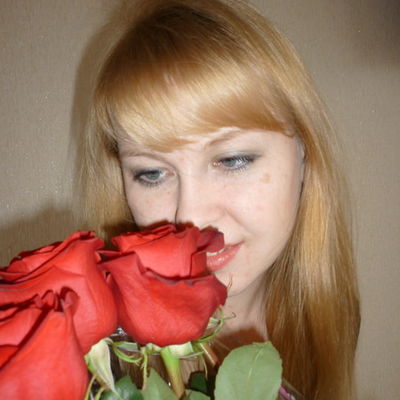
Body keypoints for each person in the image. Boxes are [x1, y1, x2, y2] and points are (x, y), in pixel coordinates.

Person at [81, 0, 360, 399]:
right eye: (152, 173)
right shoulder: (98, 373)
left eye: (232, 160)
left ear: (303, 153)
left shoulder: (332, 319)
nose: (191, 217)